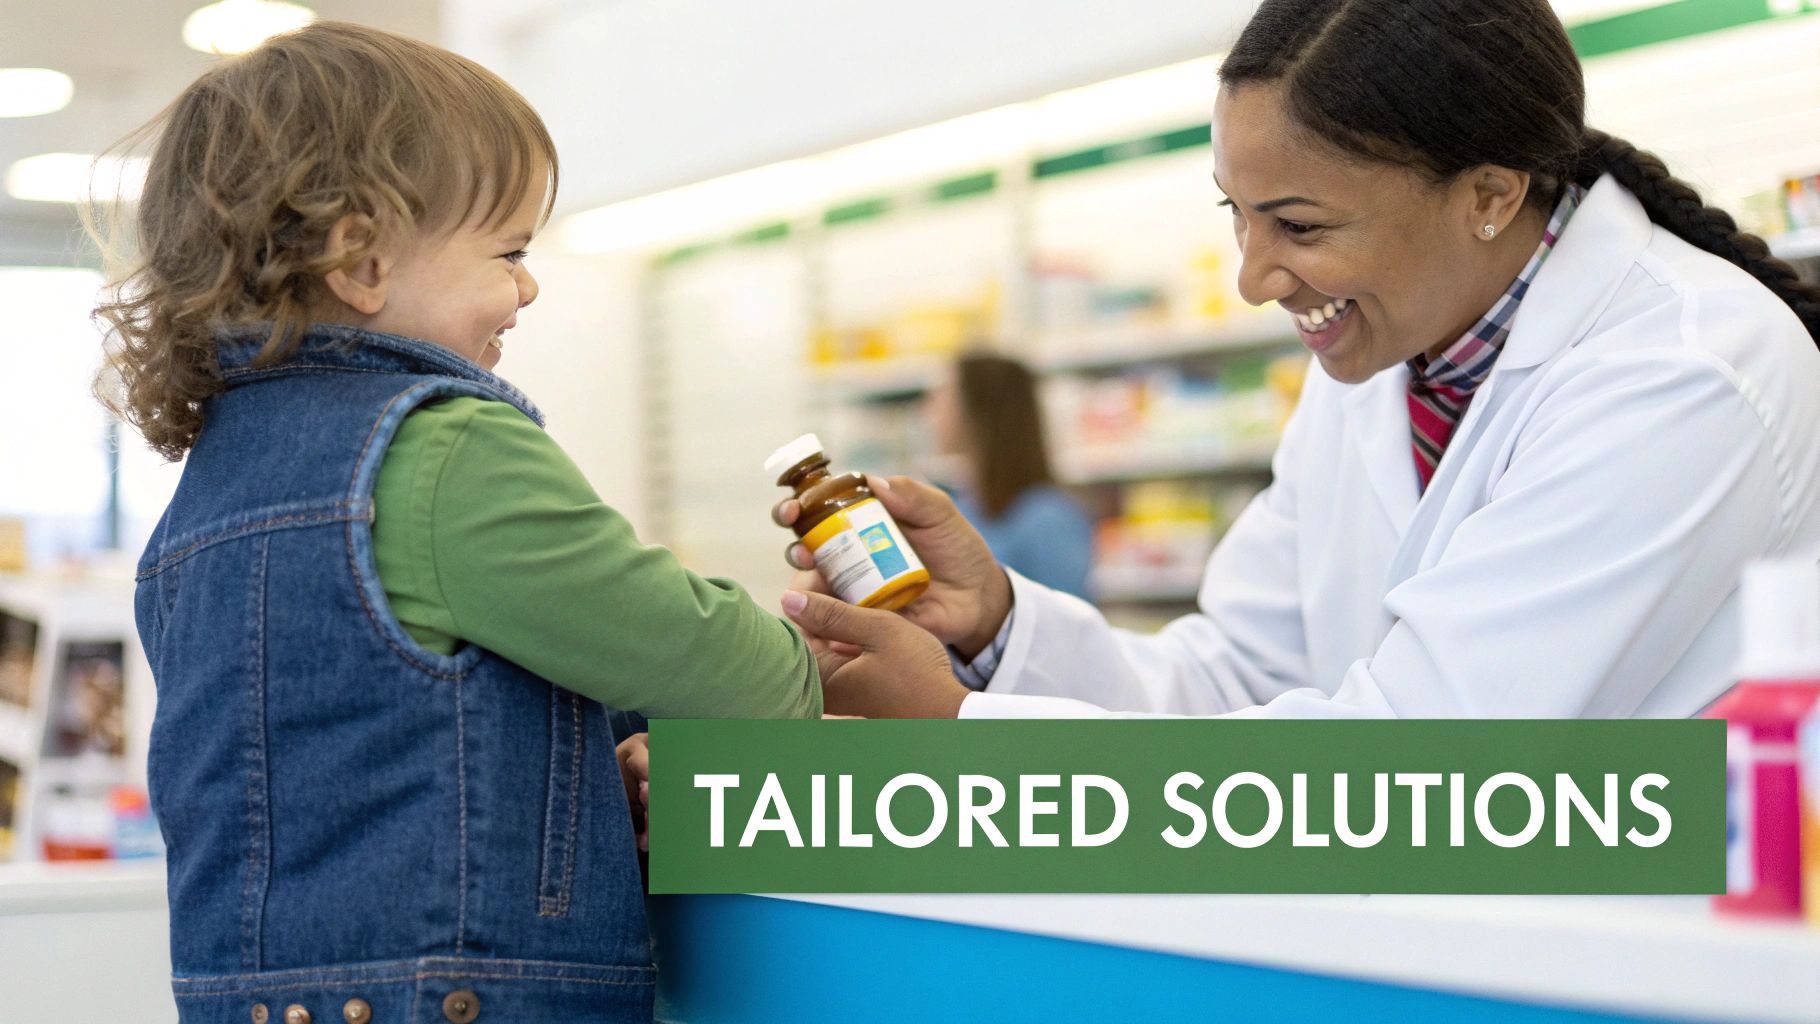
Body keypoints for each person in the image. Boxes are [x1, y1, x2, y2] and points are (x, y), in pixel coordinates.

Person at [773, 0, 1820, 721]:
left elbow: (1420, 769)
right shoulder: (1381, 365)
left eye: (1299, 227)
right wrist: (998, 624)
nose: (1252, 278)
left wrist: (959, 725)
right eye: (1237, 217)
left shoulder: (1679, 373)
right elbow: (1235, 679)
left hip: (1663, 958)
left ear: (1490, 194)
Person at [95, 24, 818, 1021]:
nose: (526, 287)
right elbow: (726, 670)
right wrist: (826, 658)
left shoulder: (201, 500)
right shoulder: (446, 450)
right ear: (361, 258)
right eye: (509, 250)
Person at [925, 353, 1093, 600]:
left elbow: (1070, 625)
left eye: (942, 396)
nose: (929, 412)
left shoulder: (1048, 518)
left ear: (980, 407)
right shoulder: (961, 506)